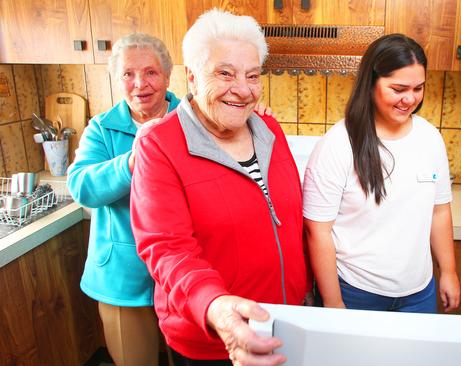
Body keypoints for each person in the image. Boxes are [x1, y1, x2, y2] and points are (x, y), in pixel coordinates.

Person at [130, 9, 309, 366]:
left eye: (253, 76)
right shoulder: (160, 145)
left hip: (286, 323)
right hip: (214, 339)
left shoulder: (269, 130)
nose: (243, 90)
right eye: (225, 73)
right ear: (192, 78)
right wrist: (215, 307)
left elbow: (289, 222)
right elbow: (168, 250)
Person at [303, 34, 461, 314]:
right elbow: (318, 231)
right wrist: (333, 302)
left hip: (419, 292)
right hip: (356, 292)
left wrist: (448, 271)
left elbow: (439, 211)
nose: (409, 99)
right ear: (371, 83)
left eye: (418, 88)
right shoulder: (338, 144)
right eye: (398, 89)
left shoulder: (430, 138)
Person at [67, 33, 181, 366]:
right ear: (118, 81)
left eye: (151, 72)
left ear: (167, 76)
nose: (140, 84)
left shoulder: (192, 119)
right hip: (122, 277)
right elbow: (82, 187)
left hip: (182, 275)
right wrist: (133, 161)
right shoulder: (102, 129)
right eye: (128, 74)